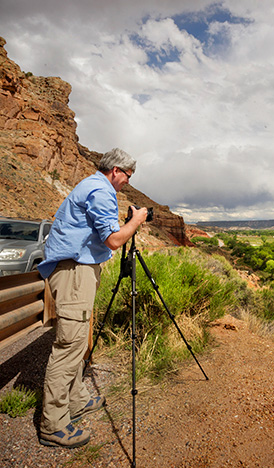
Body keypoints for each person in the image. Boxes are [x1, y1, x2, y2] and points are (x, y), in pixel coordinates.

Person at [36, 148, 148, 449]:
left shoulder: (90, 185)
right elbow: (113, 240)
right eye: (127, 176)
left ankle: (76, 399)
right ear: (116, 171)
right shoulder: (100, 190)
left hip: (77, 270)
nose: (127, 181)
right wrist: (137, 220)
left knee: (75, 341)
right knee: (69, 345)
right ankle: (53, 424)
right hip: (74, 271)